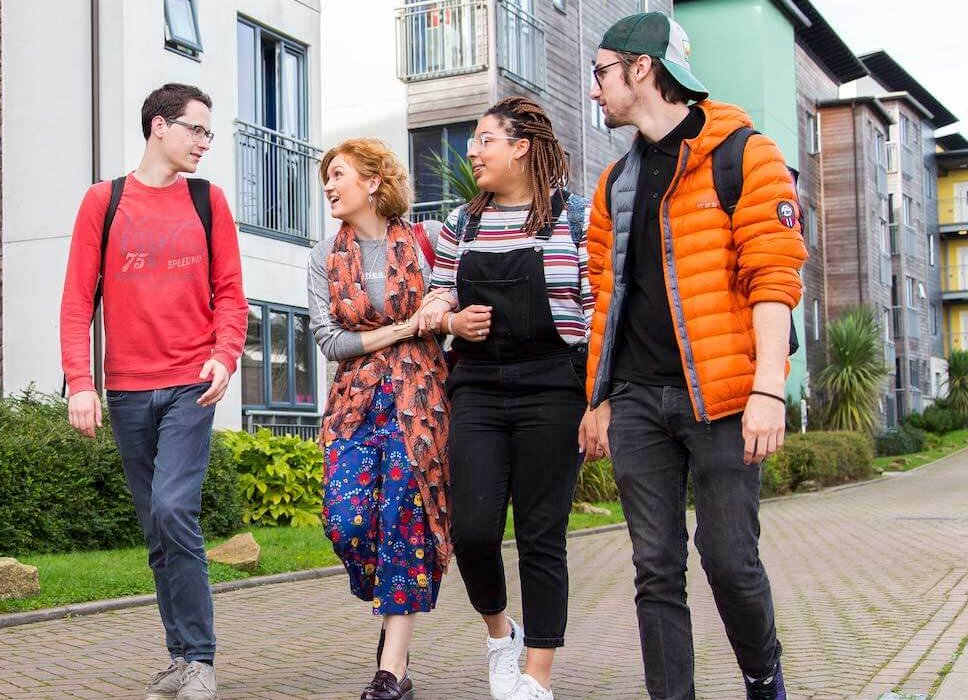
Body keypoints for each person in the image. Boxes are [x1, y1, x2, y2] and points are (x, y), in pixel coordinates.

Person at [581, 12, 807, 700]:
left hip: (726, 398)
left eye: (601, 74)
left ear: (641, 69)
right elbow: (605, 300)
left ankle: (762, 674)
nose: (595, 91)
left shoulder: (746, 156)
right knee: (654, 565)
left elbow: (774, 276)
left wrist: (770, 389)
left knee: (730, 559)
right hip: (640, 402)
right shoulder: (614, 185)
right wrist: (598, 400)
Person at [59, 83, 247, 700]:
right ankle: (179, 655)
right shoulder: (104, 203)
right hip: (128, 392)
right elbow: (76, 301)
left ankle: (200, 659)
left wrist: (224, 357)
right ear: (158, 127)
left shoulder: (207, 202)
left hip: (192, 384)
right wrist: (79, 382)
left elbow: (231, 296)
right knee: (155, 529)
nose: (203, 143)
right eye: (196, 129)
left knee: (173, 510)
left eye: (208, 133)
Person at [412, 96, 591, 700]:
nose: (473, 151)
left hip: (553, 388)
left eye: (485, 139)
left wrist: (598, 400)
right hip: (480, 389)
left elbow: (596, 311)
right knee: (473, 532)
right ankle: (499, 633)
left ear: (522, 147)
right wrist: (450, 321)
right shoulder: (461, 223)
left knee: (543, 533)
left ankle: (536, 677)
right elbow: (436, 299)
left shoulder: (576, 219)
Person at [309, 137, 452, 700]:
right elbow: (329, 340)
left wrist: (439, 309)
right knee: (345, 520)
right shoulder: (322, 254)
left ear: (373, 182)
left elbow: (451, 293)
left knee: (404, 518)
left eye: (338, 173)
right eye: (326, 176)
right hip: (354, 402)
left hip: (419, 398)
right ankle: (396, 598)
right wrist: (401, 328)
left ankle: (392, 665)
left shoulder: (429, 241)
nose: (328, 184)